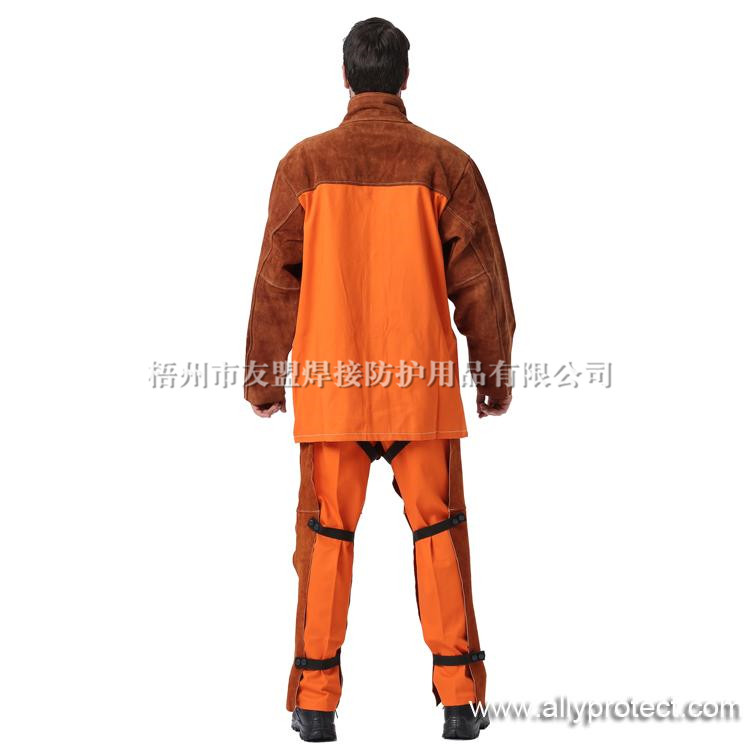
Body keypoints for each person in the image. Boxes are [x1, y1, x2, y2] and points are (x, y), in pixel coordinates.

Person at [244, 17, 515, 741]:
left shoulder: (304, 165)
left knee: (325, 537)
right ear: (404, 77)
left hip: (332, 393)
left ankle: (314, 705)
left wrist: (265, 380)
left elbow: (277, 280)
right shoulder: (445, 165)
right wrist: (492, 376)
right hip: (421, 393)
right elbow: (482, 283)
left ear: (345, 77)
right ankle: (460, 701)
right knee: (440, 533)